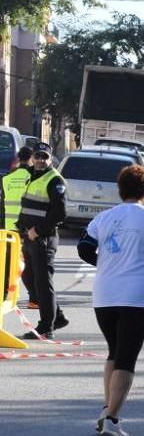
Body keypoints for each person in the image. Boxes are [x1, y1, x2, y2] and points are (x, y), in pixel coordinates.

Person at [77, 165, 144, 436]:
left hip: (105, 293)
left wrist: (107, 262)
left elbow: (84, 247)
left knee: (114, 351)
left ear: (121, 189)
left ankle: (107, 408)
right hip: (137, 295)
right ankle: (112, 418)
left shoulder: (105, 217)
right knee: (127, 357)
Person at [17, 143, 68, 338]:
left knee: (42, 283)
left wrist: (37, 230)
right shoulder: (33, 175)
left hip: (43, 238)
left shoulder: (54, 180)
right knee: (29, 278)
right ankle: (58, 317)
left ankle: (47, 327)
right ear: (33, 157)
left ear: (50, 158)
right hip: (29, 237)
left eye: (44, 157)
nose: (40, 160)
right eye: (37, 156)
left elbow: (60, 213)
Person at [1, 146, 37, 307]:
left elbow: (2, 206)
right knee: (30, 264)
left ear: (18, 158)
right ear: (31, 159)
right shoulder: (33, 177)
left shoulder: (7, 178)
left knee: (7, 262)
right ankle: (33, 299)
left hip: (9, 228)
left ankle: (4, 295)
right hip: (28, 228)